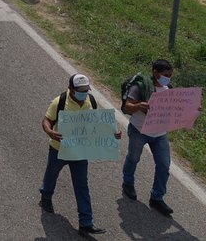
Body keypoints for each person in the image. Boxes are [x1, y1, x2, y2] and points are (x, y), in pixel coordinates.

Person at [39, 74, 121, 236]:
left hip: (80, 152)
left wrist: (113, 132)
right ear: (71, 89)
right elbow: (47, 120)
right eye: (80, 90)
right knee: (52, 174)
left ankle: (86, 223)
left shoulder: (91, 101)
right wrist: (50, 131)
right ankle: (46, 195)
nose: (83, 93)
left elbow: (96, 124)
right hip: (59, 150)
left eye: (86, 90)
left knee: (82, 186)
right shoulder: (60, 102)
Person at [122, 59, 195, 216]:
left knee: (163, 165)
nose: (168, 78)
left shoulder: (168, 89)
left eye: (170, 75)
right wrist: (139, 106)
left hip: (159, 133)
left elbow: (177, 108)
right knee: (133, 158)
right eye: (165, 75)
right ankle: (128, 183)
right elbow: (127, 107)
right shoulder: (140, 87)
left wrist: (193, 108)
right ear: (155, 72)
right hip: (139, 130)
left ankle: (157, 197)